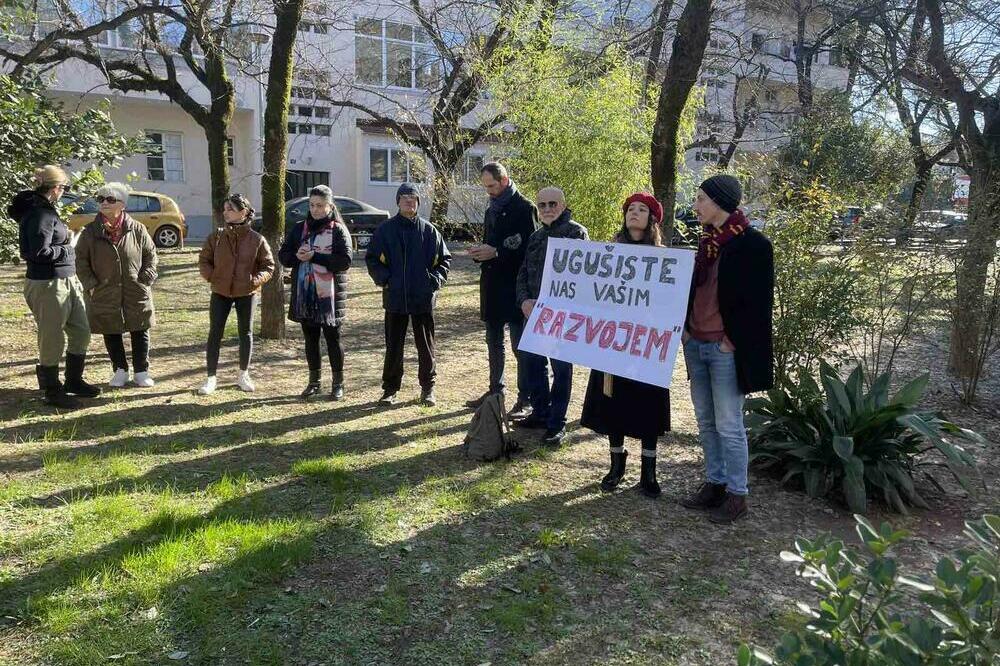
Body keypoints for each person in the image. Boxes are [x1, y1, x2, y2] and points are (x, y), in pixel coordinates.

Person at [680, 174, 774, 524]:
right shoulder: (705, 244)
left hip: (724, 350)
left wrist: (731, 341)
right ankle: (715, 483)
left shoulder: (753, 245)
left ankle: (737, 495)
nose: (696, 205)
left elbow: (759, 304)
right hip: (696, 343)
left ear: (719, 201)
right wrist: (686, 330)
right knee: (705, 421)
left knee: (729, 424)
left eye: (701, 198)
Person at [580, 193, 671, 498]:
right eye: (630, 209)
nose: (634, 213)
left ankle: (649, 473)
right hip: (613, 342)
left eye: (641, 209)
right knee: (613, 401)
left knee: (647, 403)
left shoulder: (663, 258)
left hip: (645, 344)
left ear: (652, 218)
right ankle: (616, 465)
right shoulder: (610, 253)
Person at [9, 165, 100, 408]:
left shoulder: (47, 210)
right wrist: (68, 245)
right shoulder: (39, 214)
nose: (63, 192)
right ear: (55, 188)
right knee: (52, 339)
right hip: (48, 283)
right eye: (63, 187)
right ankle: (52, 390)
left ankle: (73, 381)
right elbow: (36, 252)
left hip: (66, 279)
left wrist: (65, 247)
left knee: (81, 330)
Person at [365, 183, 451, 406]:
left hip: (422, 298)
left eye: (413, 198)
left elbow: (444, 260)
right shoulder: (385, 230)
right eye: (404, 198)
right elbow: (372, 259)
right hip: (394, 298)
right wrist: (386, 280)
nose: (409, 202)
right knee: (394, 345)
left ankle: (428, 388)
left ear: (418, 203)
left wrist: (433, 282)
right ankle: (390, 389)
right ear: (397, 202)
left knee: (426, 344)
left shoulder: (430, 231)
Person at [515, 187, 589, 446]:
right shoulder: (535, 237)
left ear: (563, 204)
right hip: (533, 314)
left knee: (561, 369)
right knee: (532, 364)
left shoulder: (576, 233)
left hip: (562, 316)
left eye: (552, 204)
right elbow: (523, 272)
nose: (547, 209)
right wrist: (523, 300)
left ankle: (557, 422)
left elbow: (581, 278)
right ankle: (540, 412)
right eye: (542, 205)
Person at [466, 162, 537, 418]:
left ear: (505, 180)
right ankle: (496, 390)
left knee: (520, 346)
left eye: (492, 186)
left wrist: (496, 252)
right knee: (493, 343)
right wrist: (480, 253)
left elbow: (530, 249)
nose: (489, 191)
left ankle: (525, 397)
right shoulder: (491, 209)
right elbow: (491, 244)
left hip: (516, 288)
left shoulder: (525, 208)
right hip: (492, 286)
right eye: (485, 187)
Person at [75, 182, 158, 388]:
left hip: (135, 288)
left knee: (140, 328)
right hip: (103, 289)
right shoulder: (89, 232)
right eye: (101, 199)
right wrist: (91, 285)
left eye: (110, 199)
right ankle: (120, 370)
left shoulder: (137, 229)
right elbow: (80, 261)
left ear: (122, 204)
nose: (104, 203)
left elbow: (150, 255)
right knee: (110, 329)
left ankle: (141, 371)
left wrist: (145, 278)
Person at [278, 185, 352, 400]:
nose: (315, 209)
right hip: (305, 294)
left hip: (330, 298)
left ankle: (338, 383)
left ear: (330, 206)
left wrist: (315, 257)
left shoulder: (338, 230)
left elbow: (344, 261)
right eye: (312, 205)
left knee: (332, 339)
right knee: (310, 339)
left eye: (320, 205)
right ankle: (314, 382)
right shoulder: (299, 228)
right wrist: (297, 257)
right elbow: (284, 255)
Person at [196, 193, 275, 395]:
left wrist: (254, 281)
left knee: (245, 334)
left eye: (230, 208)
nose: (225, 212)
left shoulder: (257, 240)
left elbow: (268, 266)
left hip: (246, 293)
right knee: (215, 333)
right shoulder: (216, 237)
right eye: (224, 208)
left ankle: (243, 375)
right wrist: (212, 277)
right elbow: (204, 259)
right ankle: (211, 378)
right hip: (220, 291)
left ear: (244, 212)